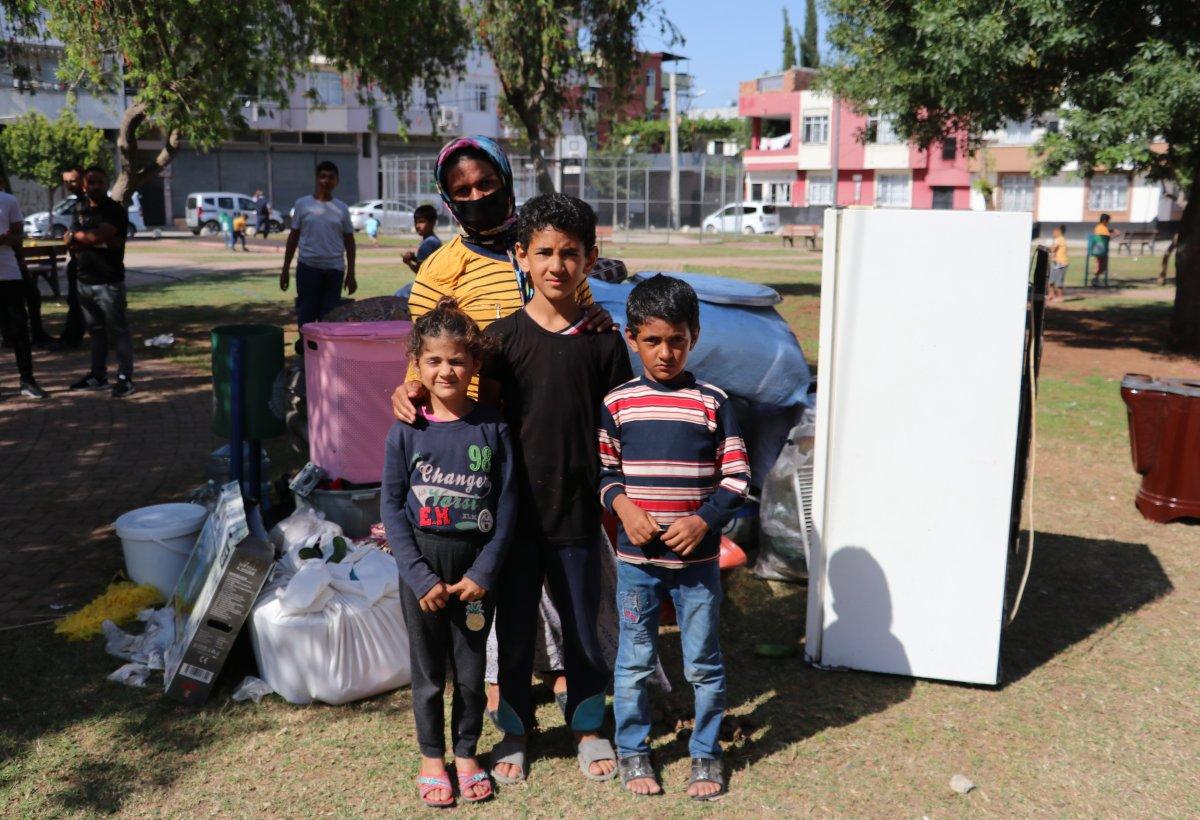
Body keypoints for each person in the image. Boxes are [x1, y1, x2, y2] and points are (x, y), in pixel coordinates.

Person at [481, 193, 630, 786]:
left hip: (577, 513)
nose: (556, 265)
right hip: (515, 518)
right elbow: (480, 425)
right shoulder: (498, 341)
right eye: (543, 252)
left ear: (590, 259)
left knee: (582, 626)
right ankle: (515, 732)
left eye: (571, 253)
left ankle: (589, 728)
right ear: (521, 256)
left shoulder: (603, 342)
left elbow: (621, 426)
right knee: (514, 628)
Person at [598, 274, 750, 800]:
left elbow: (735, 477)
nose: (666, 352)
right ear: (631, 336)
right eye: (653, 341)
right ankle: (634, 749)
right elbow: (604, 474)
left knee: (703, 663)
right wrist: (622, 506)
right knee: (635, 660)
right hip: (636, 565)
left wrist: (703, 520)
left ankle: (706, 753)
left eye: (677, 340)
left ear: (695, 336)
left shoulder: (713, 402)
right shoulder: (617, 404)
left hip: (698, 569)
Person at [381, 297, 515, 808]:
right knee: (429, 673)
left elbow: (507, 508)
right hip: (423, 574)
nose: (446, 370)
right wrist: (418, 577)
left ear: (475, 363)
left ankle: (465, 753)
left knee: (473, 671)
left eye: (457, 360)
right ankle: (432, 758)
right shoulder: (406, 430)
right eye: (434, 360)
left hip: (475, 577)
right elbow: (392, 509)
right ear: (416, 363)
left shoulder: (493, 429)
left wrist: (484, 570)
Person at [67, 166, 133, 398]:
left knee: (118, 331)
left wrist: (83, 238)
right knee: (95, 331)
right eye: (91, 182)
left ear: (107, 184)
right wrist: (88, 239)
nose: (95, 186)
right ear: (84, 185)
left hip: (109, 281)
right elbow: (72, 242)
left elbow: (97, 236)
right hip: (84, 279)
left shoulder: (114, 210)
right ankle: (98, 375)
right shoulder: (79, 207)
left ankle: (125, 379)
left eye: (100, 182)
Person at [279, 161, 357, 333]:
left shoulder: (342, 209)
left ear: (337, 181)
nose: (326, 181)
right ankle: (306, 354)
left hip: (334, 270)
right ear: (316, 179)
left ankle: (327, 356)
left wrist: (351, 273)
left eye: (330, 177)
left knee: (329, 317)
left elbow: (350, 242)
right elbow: (293, 238)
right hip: (308, 268)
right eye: (322, 176)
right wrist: (285, 270)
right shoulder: (302, 204)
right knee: (306, 315)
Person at [0, 185, 48, 398]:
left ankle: (27, 380)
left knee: (19, 330)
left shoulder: (8, 200)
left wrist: (5, 239)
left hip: (8, 274)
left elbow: (18, 237)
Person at [51, 166, 87, 349]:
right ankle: (68, 338)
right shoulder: (78, 201)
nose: (69, 185)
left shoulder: (88, 202)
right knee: (73, 299)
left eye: (73, 181)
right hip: (76, 258)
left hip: (85, 260)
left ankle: (71, 340)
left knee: (78, 301)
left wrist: (72, 237)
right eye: (66, 182)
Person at [402, 204, 441, 273]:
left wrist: (408, 263)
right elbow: (427, 263)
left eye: (421, 221)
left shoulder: (428, 243)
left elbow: (420, 272)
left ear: (433, 222)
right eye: (415, 222)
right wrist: (413, 258)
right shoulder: (435, 240)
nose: (417, 226)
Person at [1090, 213, 1119, 287]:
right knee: (1100, 265)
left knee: (1102, 265)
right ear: (1104, 221)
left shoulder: (1101, 227)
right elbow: (1107, 237)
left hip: (1100, 249)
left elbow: (1106, 234)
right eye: (1108, 221)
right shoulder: (1101, 228)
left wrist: (1112, 231)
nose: (1109, 222)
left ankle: (1096, 279)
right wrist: (1115, 234)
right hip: (1100, 249)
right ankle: (1095, 279)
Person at [1048, 224, 1068, 302]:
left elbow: (1053, 249)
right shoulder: (1060, 239)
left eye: (1054, 231)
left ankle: (1060, 297)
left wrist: (1048, 249)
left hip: (1061, 264)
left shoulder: (1060, 239)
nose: (1053, 233)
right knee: (1051, 281)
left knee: (1058, 282)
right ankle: (1051, 295)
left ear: (1059, 231)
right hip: (1057, 263)